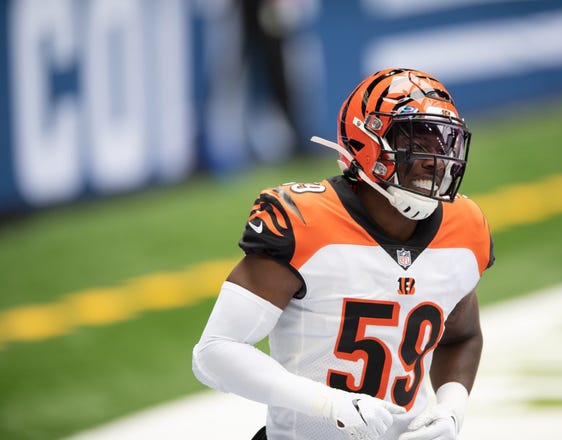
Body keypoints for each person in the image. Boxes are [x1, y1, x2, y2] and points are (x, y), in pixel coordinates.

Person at [192, 68, 495, 440]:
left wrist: (451, 409)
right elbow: (214, 352)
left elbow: (461, 336)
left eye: (443, 143)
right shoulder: (307, 221)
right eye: (416, 140)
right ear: (367, 142)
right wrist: (329, 404)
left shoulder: (463, 228)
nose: (436, 159)